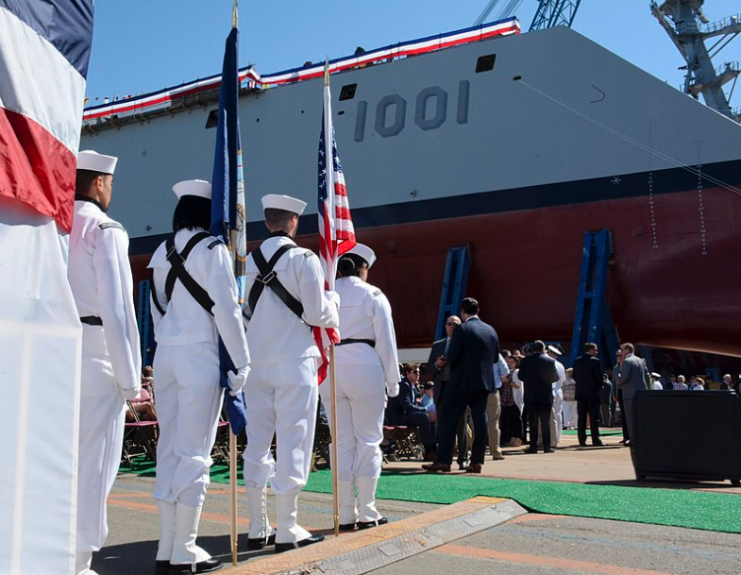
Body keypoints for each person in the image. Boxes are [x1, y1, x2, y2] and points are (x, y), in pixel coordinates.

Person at [148, 179, 250, 574]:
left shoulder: (161, 250)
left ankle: (167, 548)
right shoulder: (213, 249)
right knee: (194, 453)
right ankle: (185, 549)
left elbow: (158, 308)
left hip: (167, 355)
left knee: (169, 450)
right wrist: (241, 363)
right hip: (200, 356)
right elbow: (226, 308)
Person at [242, 194, 340, 553]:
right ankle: (287, 527)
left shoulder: (246, 262)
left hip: (256, 364)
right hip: (294, 361)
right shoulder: (303, 258)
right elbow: (316, 313)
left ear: (267, 223)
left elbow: (242, 316)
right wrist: (335, 305)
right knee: (294, 442)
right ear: (294, 222)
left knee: (256, 444)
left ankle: (257, 526)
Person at [69, 151, 142, 575]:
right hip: (98, 358)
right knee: (94, 471)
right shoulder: (106, 230)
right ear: (99, 183)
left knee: (57, 461)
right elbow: (118, 310)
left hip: (57, 354)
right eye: (109, 183)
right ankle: (78, 564)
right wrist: (131, 382)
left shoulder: (54, 225)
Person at [319, 243, 400, 531]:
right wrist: (393, 382)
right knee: (368, 440)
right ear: (363, 268)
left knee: (340, 443)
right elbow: (386, 342)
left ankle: (344, 513)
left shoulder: (325, 294)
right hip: (365, 364)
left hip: (330, 366)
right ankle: (367, 511)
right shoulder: (373, 294)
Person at [423, 297, 499, 474]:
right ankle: (476, 461)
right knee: (480, 420)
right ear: (477, 310)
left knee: (448, 418)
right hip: (483, 382)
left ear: (463, 312)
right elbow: (494, 358)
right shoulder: (491, 331)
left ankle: (443, 461)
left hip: (461, 382)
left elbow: (453, 355)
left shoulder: (463, 329)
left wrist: (444, 362)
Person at [426, 315, 469, 469]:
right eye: (449, 324)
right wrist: (437, 364)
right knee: (443, 428)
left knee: (461, 426)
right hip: (442, 389)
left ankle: (463, 459)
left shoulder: (465, 344)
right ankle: (444, 460)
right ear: (445, 326)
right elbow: (429, 368)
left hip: (459, 390)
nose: (452, 326)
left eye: (455, 324)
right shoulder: (438, 345)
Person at [385, 364, 437, 459]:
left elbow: (414, 405)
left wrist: (427, 411)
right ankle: (429, 450)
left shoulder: (412, 386)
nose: (418, 374)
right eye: (415, 372)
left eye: (419, 372)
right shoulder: (403, 385)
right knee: (424, 417)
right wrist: (425, 410)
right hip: (397, 417)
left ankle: (434, 448)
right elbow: (407, 406)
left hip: (406, 415)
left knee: (432, 416)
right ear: (408, 373)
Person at [518, 341, 558, 454]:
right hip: (545, 396)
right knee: (545, 422)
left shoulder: (525, 361)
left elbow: (520, 376)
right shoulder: (549, 361)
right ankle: (547, 446)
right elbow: (555, 378)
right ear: (543, 349)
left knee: (533, 422)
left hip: (531, 396)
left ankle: (533, 446)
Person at [573, 342, 605, 447]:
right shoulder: (595, 361)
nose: (596, 352)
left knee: (581, 417)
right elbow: (599, 377)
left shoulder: (577, 361)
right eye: (595, 350)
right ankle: (595, 439)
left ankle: (582, 440)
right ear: (591, 350)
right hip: (592, 392)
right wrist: (600, 386)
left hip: (580, 392)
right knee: (594, 417)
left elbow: (574, 376)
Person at [615, 343, 647, 446]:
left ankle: (633, 439)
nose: (621, 353)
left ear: (627, 350)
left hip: (629, 393)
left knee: (630, 418)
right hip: (641, 393)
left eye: (622, 350)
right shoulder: (640, 360)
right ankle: (642, 437)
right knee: (640, 417)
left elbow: (624, 378)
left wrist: (617, 379)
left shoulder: (627, 362)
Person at [487, 353, 509, 460]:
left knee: (475, 421)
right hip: (492, 389)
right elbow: (505, 370)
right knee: (494, 422)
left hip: (475, 391)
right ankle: (495, 451)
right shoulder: (495, 354)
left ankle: (476, 450)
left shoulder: (470, 351)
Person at [500, 355, 524, 447]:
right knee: (506, 420)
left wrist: (507, 381)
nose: (510, 364)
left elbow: (517, 385)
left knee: (516, 419)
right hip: (506, 399)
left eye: (512, 362)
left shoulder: (517, 372)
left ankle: (517, 438)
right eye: (508, 362)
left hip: (513, 399)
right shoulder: (508, 372)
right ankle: (508, 438)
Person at [546, 345, 566, 447]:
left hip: (551, 390)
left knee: (550, 416)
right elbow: (563, 379)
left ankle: (551, 437)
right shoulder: (560, 365)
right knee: (558, 415)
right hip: (559, 390)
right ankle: (557, 437)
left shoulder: (548, 364)